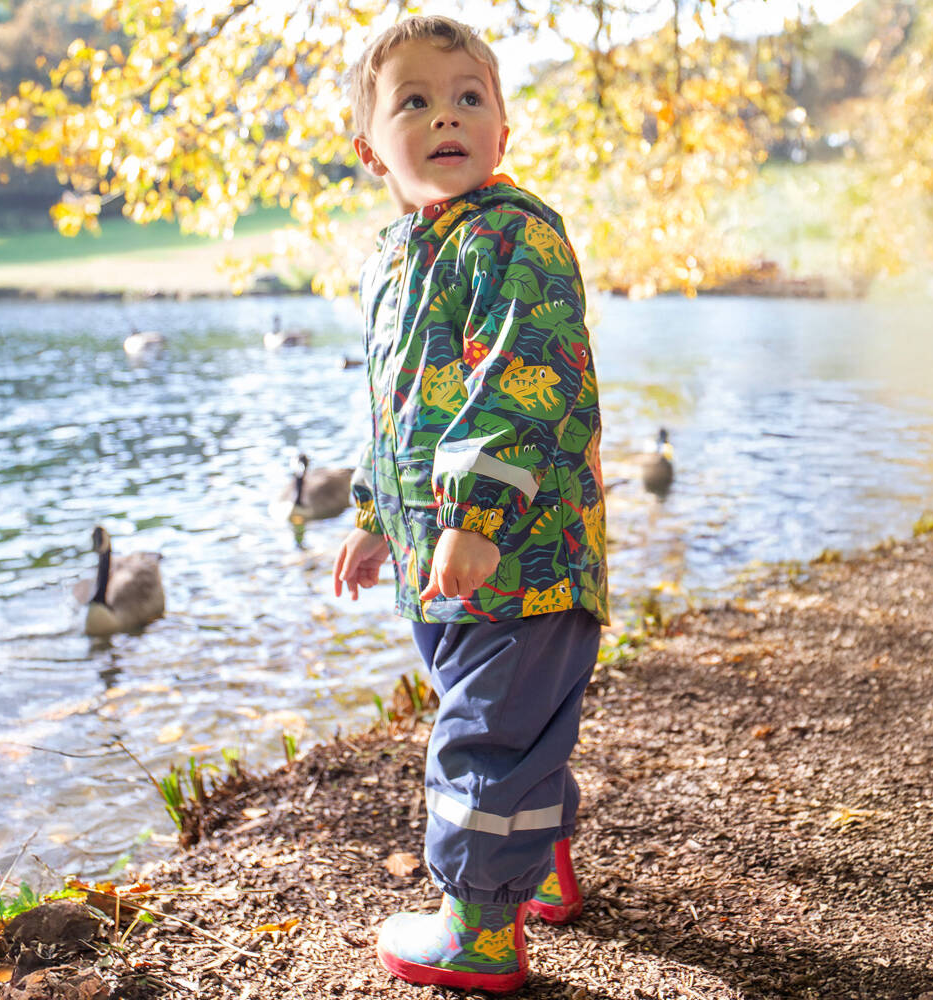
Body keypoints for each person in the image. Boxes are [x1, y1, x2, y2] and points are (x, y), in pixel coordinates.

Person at [333, 15, 609, 994]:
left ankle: (479, 928)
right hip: (444, 553)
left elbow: (520, 383)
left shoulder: (509, 239)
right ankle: (533, 873)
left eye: (467, 96)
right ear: (371, 146)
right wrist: (376, 517)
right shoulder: (398, 260)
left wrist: (475, 517)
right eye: (414, 100)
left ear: (502, 130)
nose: (444, 115)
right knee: (507, 719)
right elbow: (402, 408)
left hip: (518, 547)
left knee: (485, 730)